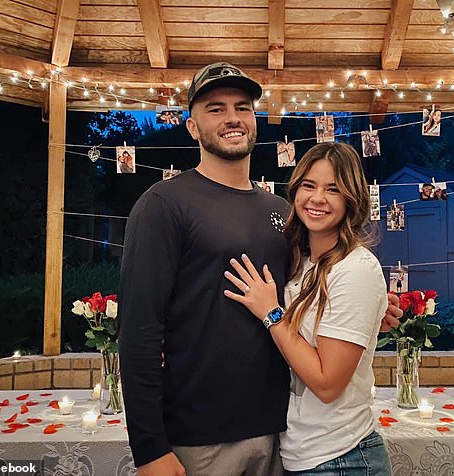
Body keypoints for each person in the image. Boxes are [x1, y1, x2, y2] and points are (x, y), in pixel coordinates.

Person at [118, 62, 403, 476]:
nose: (232, 117)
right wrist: (148, 449)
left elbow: (314, 288)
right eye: (215, 108)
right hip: (199, 437)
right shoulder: (164, 204)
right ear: (192, 127)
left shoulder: (282, 213)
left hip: (280, 435)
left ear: (254, 120)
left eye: (242, 107)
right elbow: (139, 331)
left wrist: (370, 313)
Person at [224, 142, 392, 474]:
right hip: (300, 450)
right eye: (309, 185)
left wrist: (272, 313)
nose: (317, 198)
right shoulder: (301, 263)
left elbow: (328, 384)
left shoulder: (356, 269)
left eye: (333, 189)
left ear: (352, 200)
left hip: (342, 457)